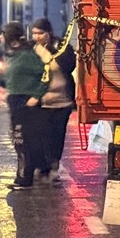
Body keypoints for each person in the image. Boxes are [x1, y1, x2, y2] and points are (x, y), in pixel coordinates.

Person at [0, 22, 49, 190]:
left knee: (22, 141)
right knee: (21, 140)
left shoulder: (27, 56)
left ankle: (24, 179)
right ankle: (38, 170)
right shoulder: (13, 55)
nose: (0, 37)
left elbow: (45, 73)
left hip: (25, 102)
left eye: (3, 34)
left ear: (11, 37)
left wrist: (36, 96)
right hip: (16, 101)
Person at [31, 18, 76, 183]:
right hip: (41, 102)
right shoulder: (32, 50)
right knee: (42, 136)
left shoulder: (61, 47)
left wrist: (49, 53)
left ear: (48, 33)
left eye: (40, 33)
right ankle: (43, 166)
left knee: (57, 136)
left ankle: (54, 167)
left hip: (62, 101)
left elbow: (69, 65)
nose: (37, 37)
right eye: (34, 33)